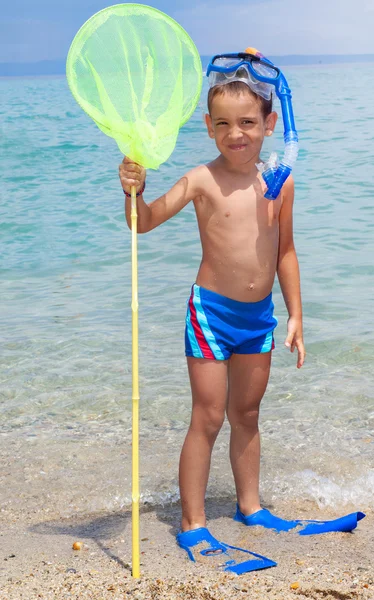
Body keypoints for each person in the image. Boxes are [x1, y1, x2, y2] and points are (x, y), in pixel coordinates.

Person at [119, 50, 305, 555]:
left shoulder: (278, 181)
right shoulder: (202, 179)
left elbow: (285, 252)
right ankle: (192, 519)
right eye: (222, 123)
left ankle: (251, 506)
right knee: (208, 415)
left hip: (259, 317)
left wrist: (296, 316)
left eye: (247, 122)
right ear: (207, 126)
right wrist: (134, 191)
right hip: (211, 314)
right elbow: (145, 221)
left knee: (247, 413)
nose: (235, 133)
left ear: (270, 124)